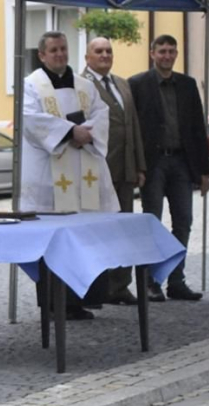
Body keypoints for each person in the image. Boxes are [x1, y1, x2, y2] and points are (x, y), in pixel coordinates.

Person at [20, 31, 119, 320]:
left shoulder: (86, 85)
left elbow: (102, 114)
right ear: (42, 55)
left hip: (84, 172)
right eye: (53, 50)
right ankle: (52, 304)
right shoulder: (31, 86)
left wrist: (85, 133)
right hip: (50, 178)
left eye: (63, 49)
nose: (60, 54)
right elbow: (30, 120)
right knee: (53, 240)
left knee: (82, 237)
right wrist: (68, 132)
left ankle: (78, 302)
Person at [129, 34, 209, 302]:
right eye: (162, 51)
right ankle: (150, 281)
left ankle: (176, 280)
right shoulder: (137, 84)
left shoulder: (187, 85)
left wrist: (204, 170)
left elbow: (199, 128)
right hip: (153, 163)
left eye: (171, 51)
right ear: (152, 53)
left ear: (176, 55)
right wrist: (137, 165)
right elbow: (133, 130)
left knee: (183, 222)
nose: (167, 56)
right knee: (151, 222)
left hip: (181, 162)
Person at [82, 37, 147, 306]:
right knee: (97, 232)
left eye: (108, 51)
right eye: (99, 51)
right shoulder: (81, 86)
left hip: (124, 170)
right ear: (87, 57)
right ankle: (96, 288)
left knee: (123, 230)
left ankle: (120, 286)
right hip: (97, 171)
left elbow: (133, 126)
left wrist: (139, 164)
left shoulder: (122, 83)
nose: (105, 55)